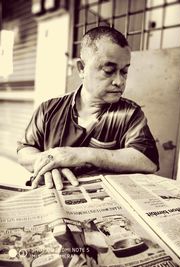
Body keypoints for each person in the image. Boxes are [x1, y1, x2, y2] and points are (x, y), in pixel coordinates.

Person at [17, 26, 159, 190]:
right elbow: (25, 149)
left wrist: (82, 154)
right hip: (51, 192)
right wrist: (51, 162)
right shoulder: (49, 109)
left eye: (124, 71)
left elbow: (148, 161)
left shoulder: (130, 114)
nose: (119, 81)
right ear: (81, 69)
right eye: (109, 70)